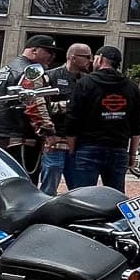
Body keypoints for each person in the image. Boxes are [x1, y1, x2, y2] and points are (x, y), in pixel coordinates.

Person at [66, 46, 140, 190]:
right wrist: (132, 154)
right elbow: (136, 124)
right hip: (118, 148)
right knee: (116, 195)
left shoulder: (85, 83)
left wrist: (71, 148)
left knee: (83, 195)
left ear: (100, 59)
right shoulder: (131, 87)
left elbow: (72, 118)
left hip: (88, 147)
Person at [0, 34, 57, 182]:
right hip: (19, 139)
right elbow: (34, 104)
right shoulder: (32, 71)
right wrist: (48, 132)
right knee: (23, 186)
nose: (52, 56)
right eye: (49, 51)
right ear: (34, 50)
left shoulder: (8, 68)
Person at [38, 43, 92, 196]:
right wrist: (67, 106)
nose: (90, 60)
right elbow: (40, 106)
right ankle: (46, 208)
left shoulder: (88, 80)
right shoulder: (50, 76)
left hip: (79, 140)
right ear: (73, 57)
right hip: (55, 138)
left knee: (79, 188)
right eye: (87, 57)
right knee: (50, 182)